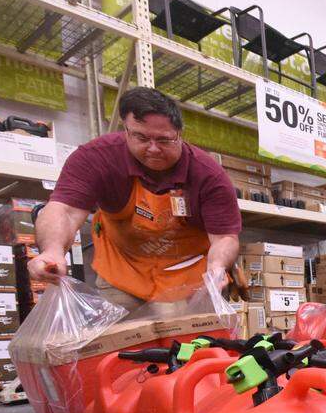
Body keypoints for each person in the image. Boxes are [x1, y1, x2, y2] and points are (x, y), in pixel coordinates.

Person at [29, 87, 242, 310]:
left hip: (189, 280)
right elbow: (63, 210)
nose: (153, 149)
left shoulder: (208, 174)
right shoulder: (97, 158)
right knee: (126, 340)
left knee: (196, 342)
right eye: (141, 137)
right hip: (123, 273)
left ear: (180, 134)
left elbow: (225, 237)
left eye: (164, 140)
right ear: (126, 129)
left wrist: (217, 269)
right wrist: (52, 250)